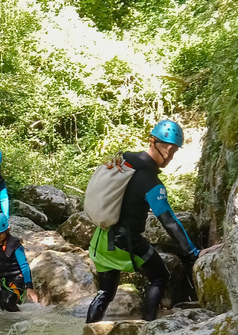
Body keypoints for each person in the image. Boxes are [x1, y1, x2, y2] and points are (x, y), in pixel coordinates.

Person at [86, 120, 206, 323]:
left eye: (174, 152)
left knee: (105, 292)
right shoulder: (151, 182)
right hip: (126, 241)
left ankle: (88, 329)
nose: (170, 157)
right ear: (159, 145)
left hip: (102, 238)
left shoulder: (125, 162)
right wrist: (194, 252)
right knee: (160, 276)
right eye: (171, 150)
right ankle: (149, 326)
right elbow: (169, 222)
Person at [0, 213, 39, 311]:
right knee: (1, 304)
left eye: (1, 233)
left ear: (8, 229)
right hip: (3, 279)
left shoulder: (14, 244)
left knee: (8, 302)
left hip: (17, 279)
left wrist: (29, 287)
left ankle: (22, 322)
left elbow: (24, 266)